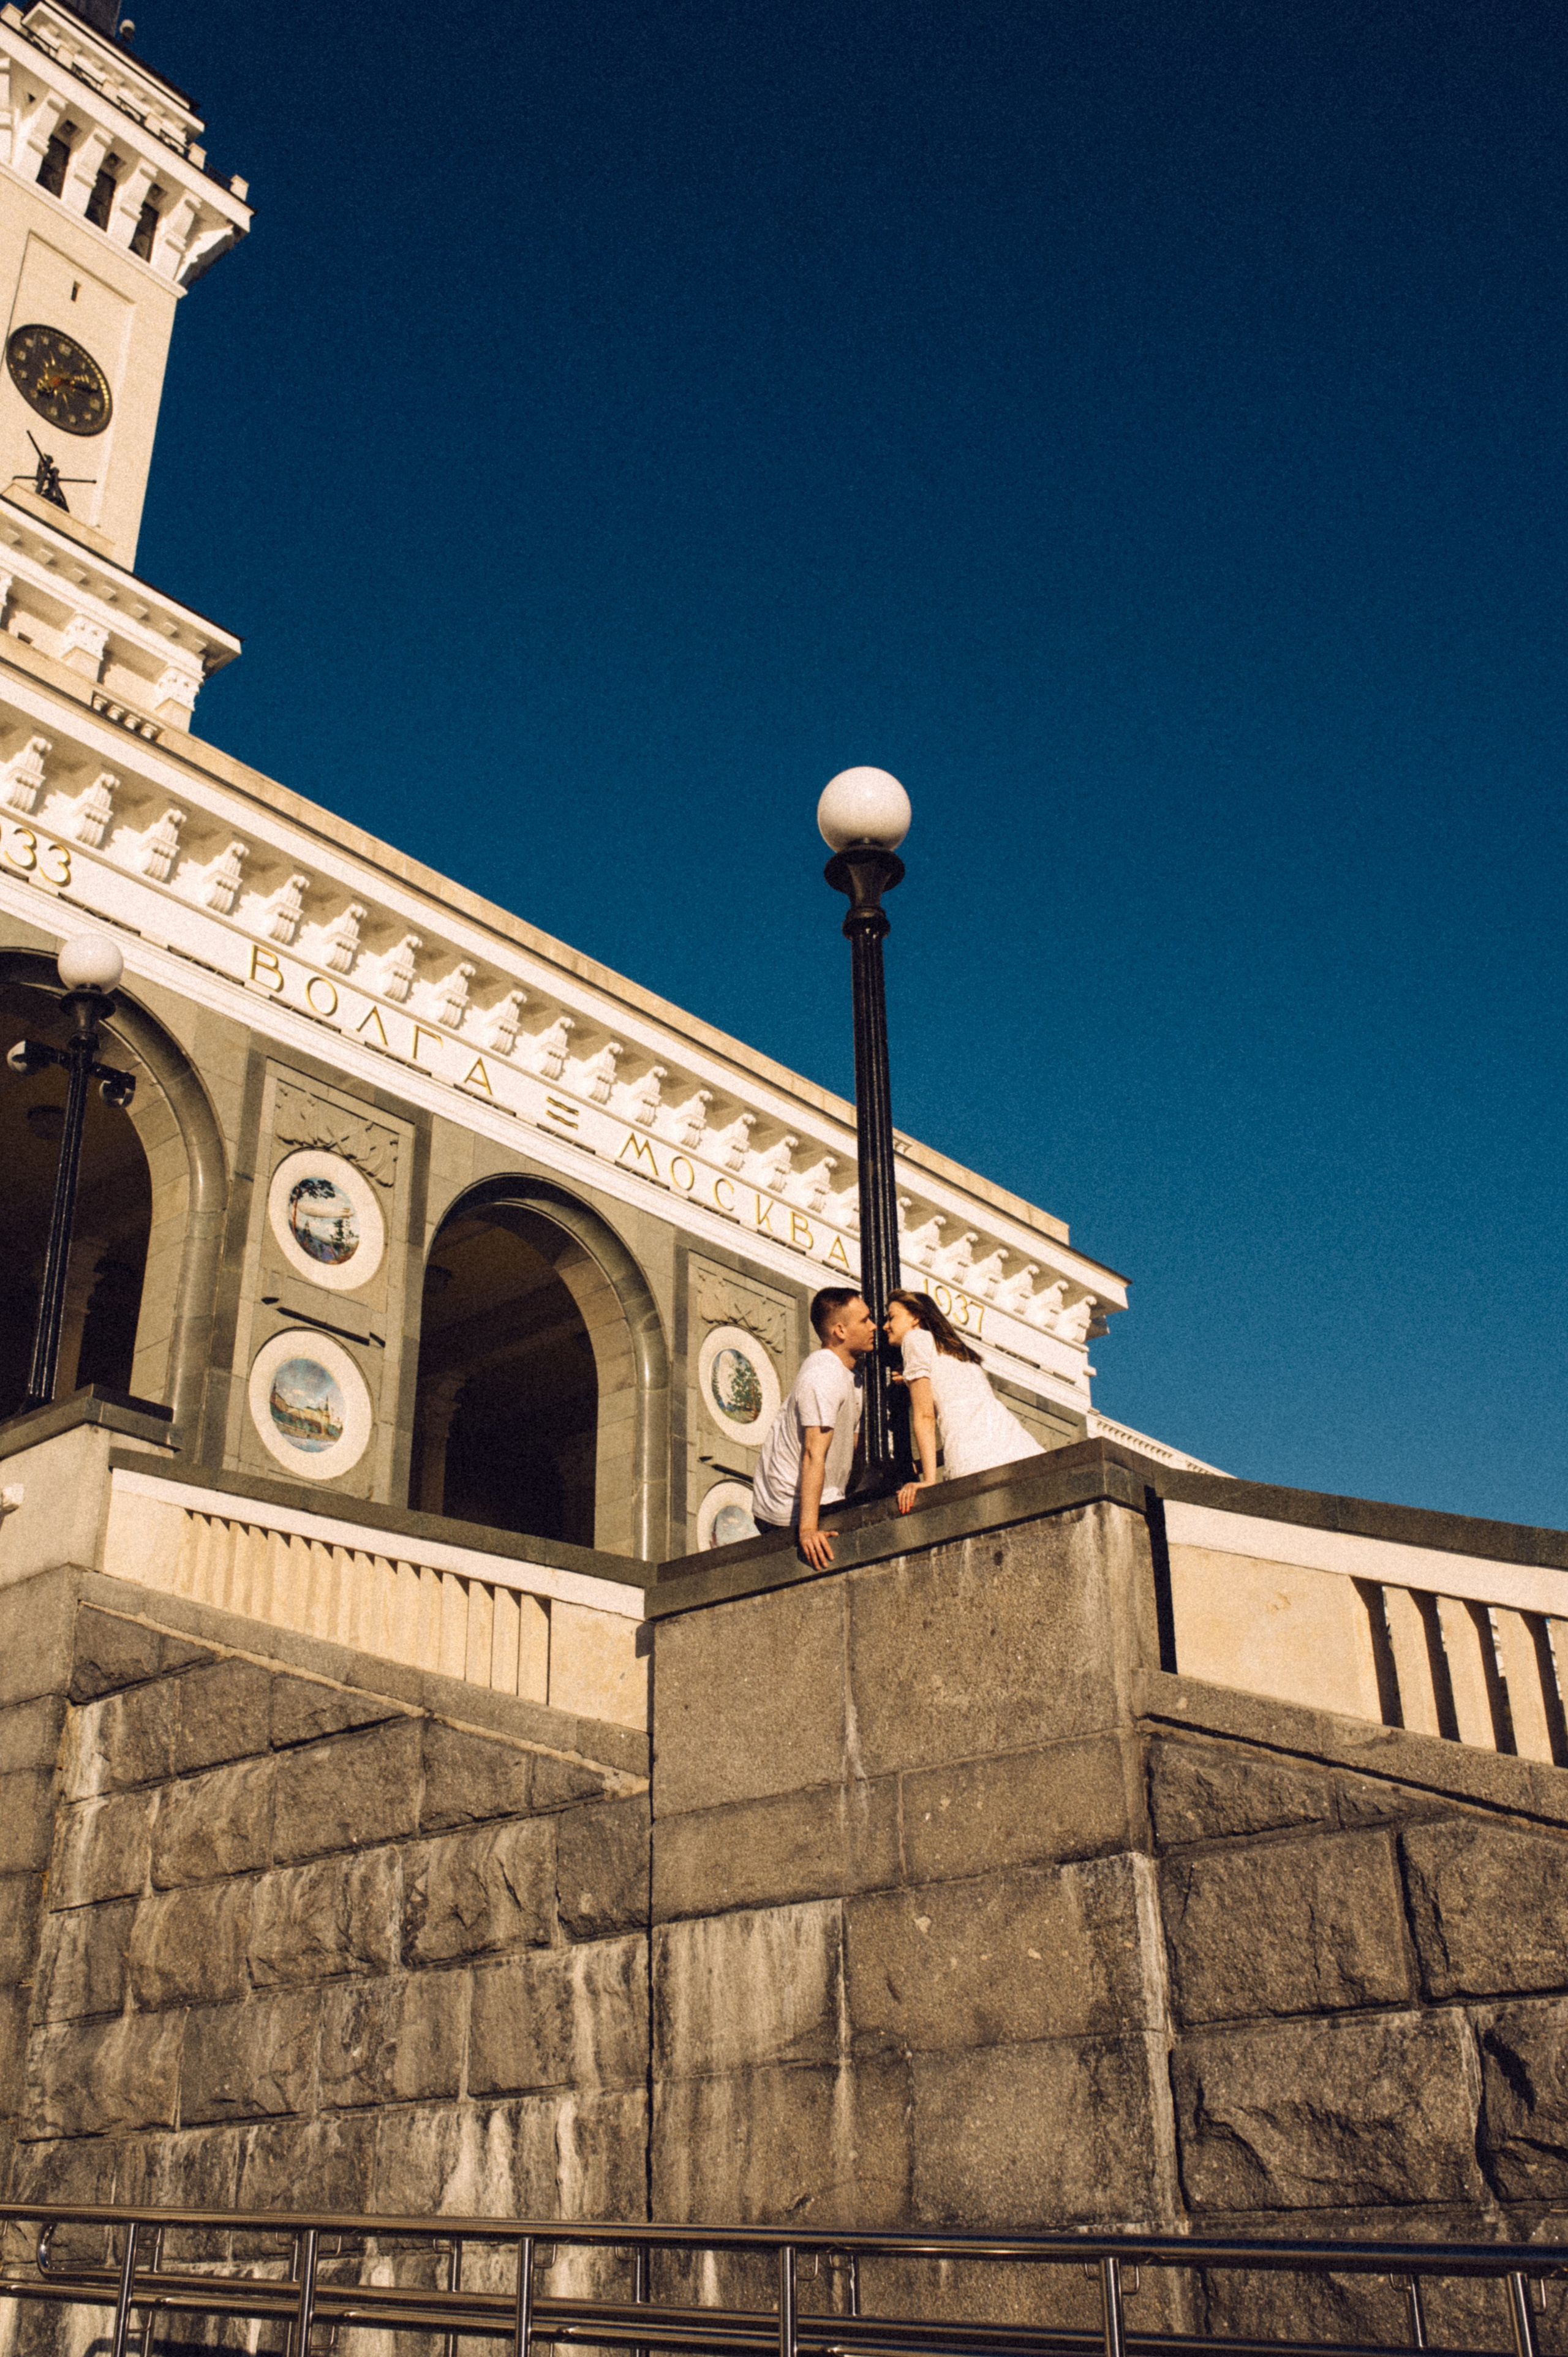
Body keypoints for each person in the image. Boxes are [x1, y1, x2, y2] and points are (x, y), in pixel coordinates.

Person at [886, 1288, 1046, 1512]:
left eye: (891, 1317)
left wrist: (929, 1481)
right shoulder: (960, 1354)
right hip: (1016, 1448)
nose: (886, 1326)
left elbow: (925, 1417)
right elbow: (968, 1422)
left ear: (915, 1317)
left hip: (973, 1461)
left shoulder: (915, 1338)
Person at [750, 1288, 875, 1567]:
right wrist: (807, 1530)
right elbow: (812, 1454)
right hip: (786, 1511)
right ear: (840, 1331)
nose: (874, 1326)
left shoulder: (852, 1375)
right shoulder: (823, 1374)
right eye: (865, 1321)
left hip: (826, 1497)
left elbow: (855, 1450)